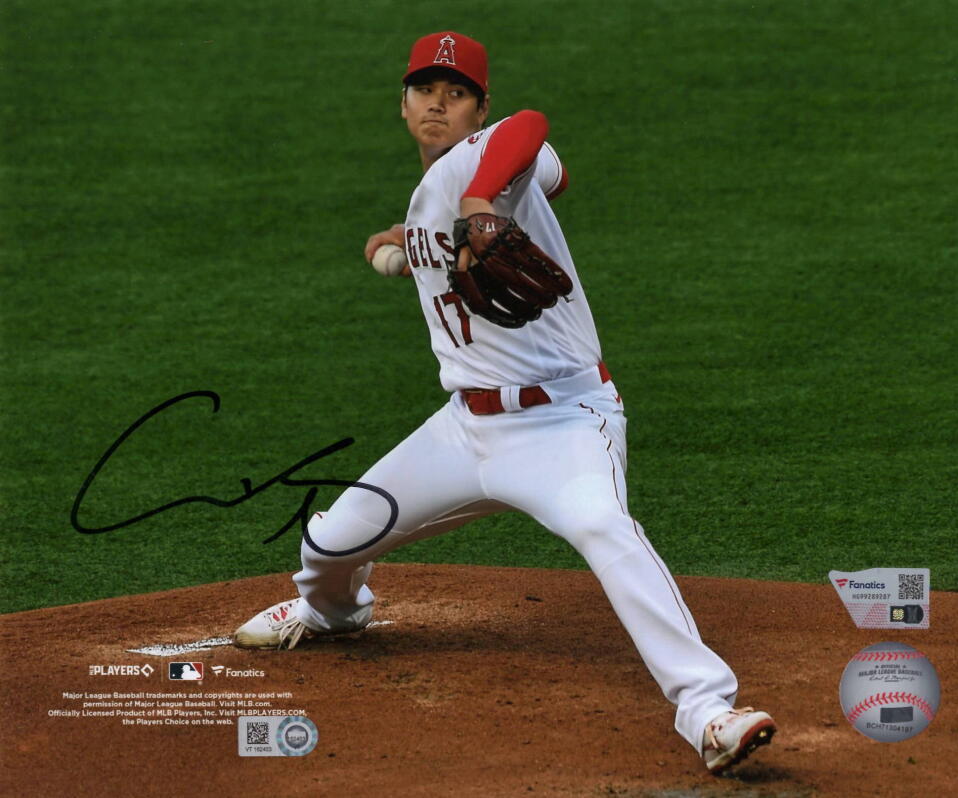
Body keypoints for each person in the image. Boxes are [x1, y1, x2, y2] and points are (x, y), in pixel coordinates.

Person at [234, 30, 776, 774]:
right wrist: (400, 244)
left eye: (456, 95)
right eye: (425, 91)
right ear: (402, 105)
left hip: (563, 422)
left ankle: (709, 710)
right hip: (464, 433)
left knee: (601, 524)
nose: (438, 104)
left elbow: (531, 132)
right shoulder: (436, 196)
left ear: (477, 110)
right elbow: (547, 180)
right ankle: (334, 611)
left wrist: (487, 195)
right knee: (327, 545)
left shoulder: (487, 160)